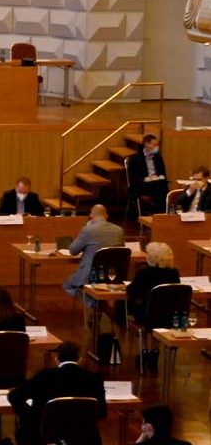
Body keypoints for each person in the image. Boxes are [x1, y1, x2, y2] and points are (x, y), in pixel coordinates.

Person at [8, 342, 105, 445]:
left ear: (56, 358)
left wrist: (31, 417)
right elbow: (102, 412)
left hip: (45, 437)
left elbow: (15, 396)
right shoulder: (94, 379)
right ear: (79, 359)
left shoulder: (44, 377)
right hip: (84, 438)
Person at [128, 242, 180, 370]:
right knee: (157, 323)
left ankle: (144, 351)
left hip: (146, 316)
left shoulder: (144, 273)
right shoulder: (174, 274)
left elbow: (133, 291)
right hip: (168, 317)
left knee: (144, 319)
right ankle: (155, 352)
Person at [63, 205, 124, 298]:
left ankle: (91, 303)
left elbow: (73, 250)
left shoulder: (88, 230)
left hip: (90, 276)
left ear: (91, 216)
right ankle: (99, 306)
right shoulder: (119, 230)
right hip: (113, 275)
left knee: (67, 285)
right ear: (106, 216)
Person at [128, 134, 169, 214]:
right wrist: (145, 179)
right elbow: (133, 178)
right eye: (154, 145)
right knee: (161, 190)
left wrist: (160, 177)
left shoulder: (158, 157)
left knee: (162, 186)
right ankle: (158, 213)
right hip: (141, 185)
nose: (156, 147)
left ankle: (160, 213)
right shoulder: (135, 158)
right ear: (146, 144)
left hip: (156, 183)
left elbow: (163, 173)